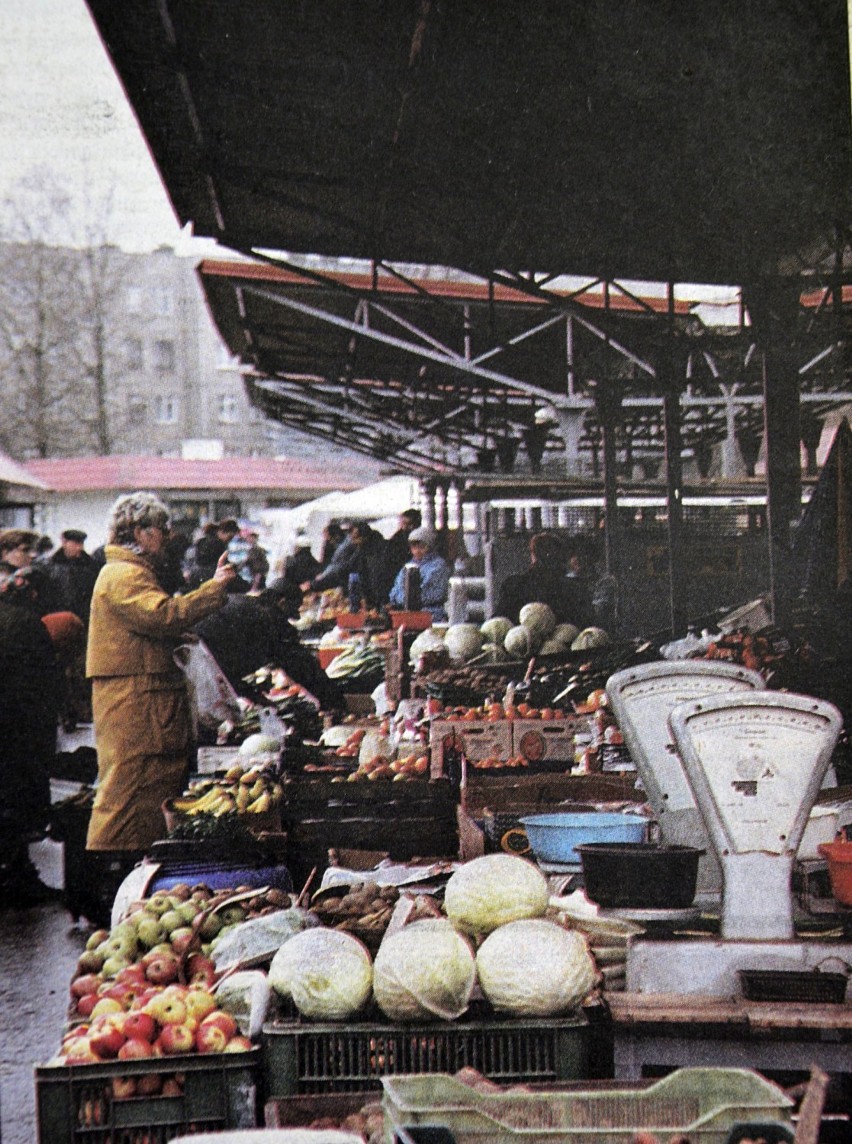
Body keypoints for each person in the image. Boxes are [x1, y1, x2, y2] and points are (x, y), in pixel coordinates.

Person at [85, 492, 236, 888]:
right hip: (138, 701)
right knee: (131, 787)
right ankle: (112, 882)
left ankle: (124, 875)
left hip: (142, 696)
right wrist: (214, 589)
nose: (167, 536)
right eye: (161, 529)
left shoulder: (128, 571)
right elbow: (162, 615)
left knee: (139, 786)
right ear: (140, 531)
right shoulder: (123, 575)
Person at [0, 566, 62, 908]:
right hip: (17, 728)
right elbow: (40, 688)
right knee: (15, 802)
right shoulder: (25, 624)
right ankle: (18, 877)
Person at [193, 578, 344, 710]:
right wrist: (334, 701)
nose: (287, 620)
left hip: (190, 660)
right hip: (200, 665)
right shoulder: (269, 618)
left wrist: (249, 692)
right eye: (290, 612)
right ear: (282, 602)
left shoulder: (245, 602)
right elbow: (301, 666)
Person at [496, 532, 593, 627]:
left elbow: (499, 621)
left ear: (533, 556)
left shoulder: (513, 585)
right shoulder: (575, 588)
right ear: (561, 557)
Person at [388, 526, 450, 621]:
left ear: (430, 546)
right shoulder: (408, 566)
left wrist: (409, 599)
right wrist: (403, 598)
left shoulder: (438, 566)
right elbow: (395, 590)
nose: (417, 551)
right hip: (406, 613)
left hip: (431, 614)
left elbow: (435, 593)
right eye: (414, 547)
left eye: (421, 547)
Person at [48, 528, 100, 625]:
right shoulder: (51, 565)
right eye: (75, 544)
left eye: (81, 544)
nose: (79, 548)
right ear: (64, 542)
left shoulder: (91, 566)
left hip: (84, 619)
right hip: (58, 618)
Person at [348, 521, 396, 611]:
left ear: (365, 537)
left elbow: (380, 576)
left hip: (383, 597)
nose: (353, 542)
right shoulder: (362, 550)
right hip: (373, 597)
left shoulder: (383, 550)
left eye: (355, 538)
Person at [183, 518, 240, 589]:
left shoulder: (205, 541)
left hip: (197, 580)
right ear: (222, 532)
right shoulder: (216, 545)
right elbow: (217, 566)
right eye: (230, 537)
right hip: (208, 581)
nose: (229, 540)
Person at [385, 508, 422, 581]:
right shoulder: (396, 540)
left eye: (409, 524)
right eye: (403, 524)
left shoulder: (423, 538)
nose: (405, 527)